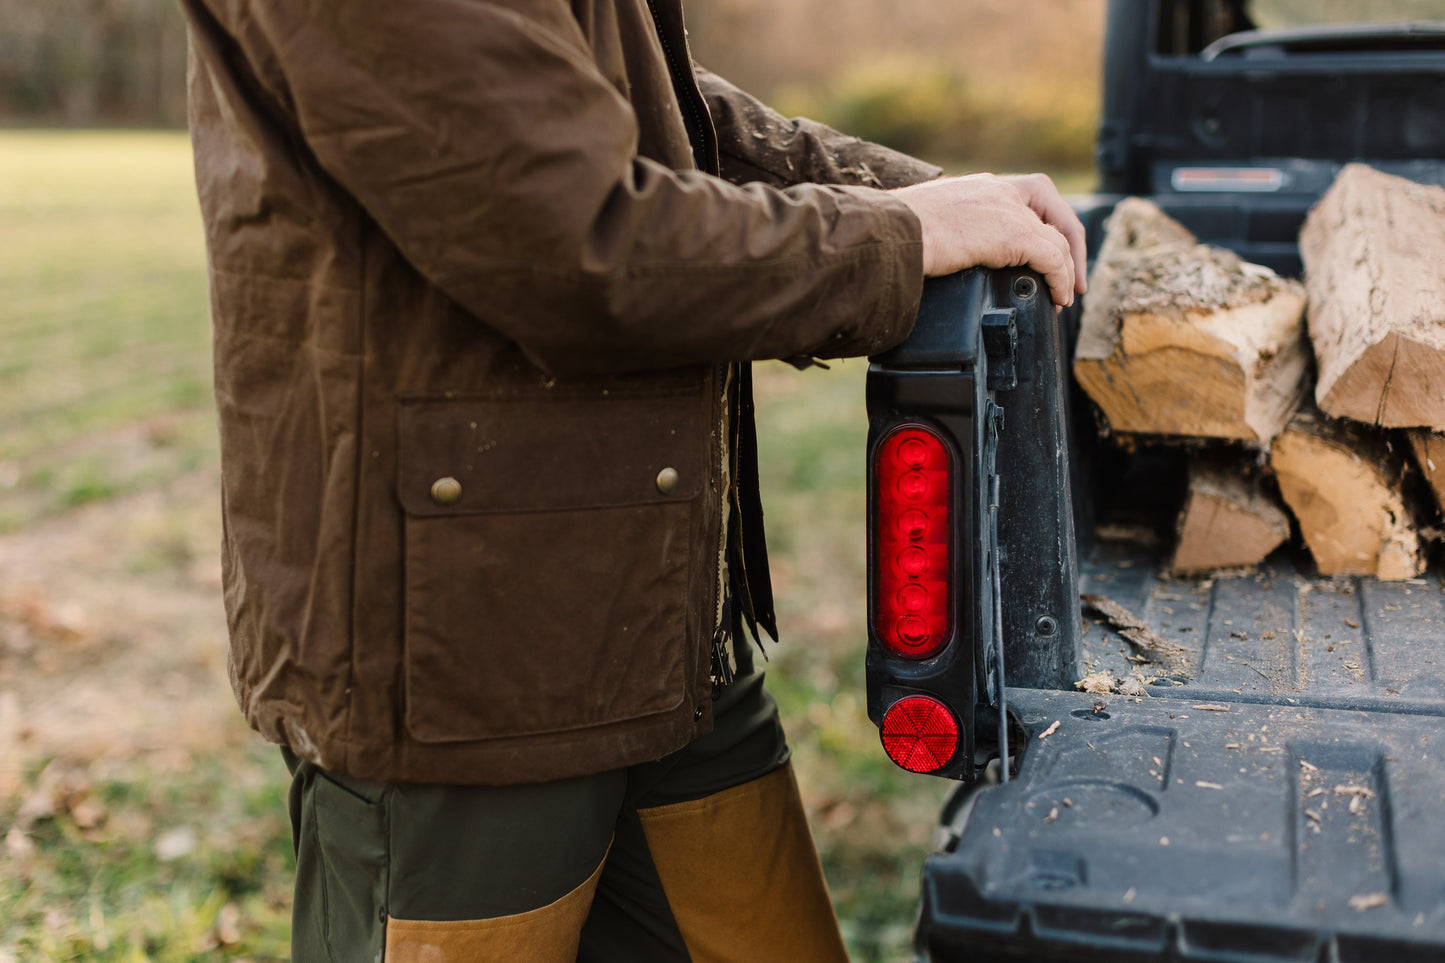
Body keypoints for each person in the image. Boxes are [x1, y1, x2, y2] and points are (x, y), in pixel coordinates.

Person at [178, 0, 1086, 959]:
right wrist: (895, 240)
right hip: (467, 669)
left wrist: (936, 203)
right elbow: (578, 241)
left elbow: (662, 117)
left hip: (661, 625)